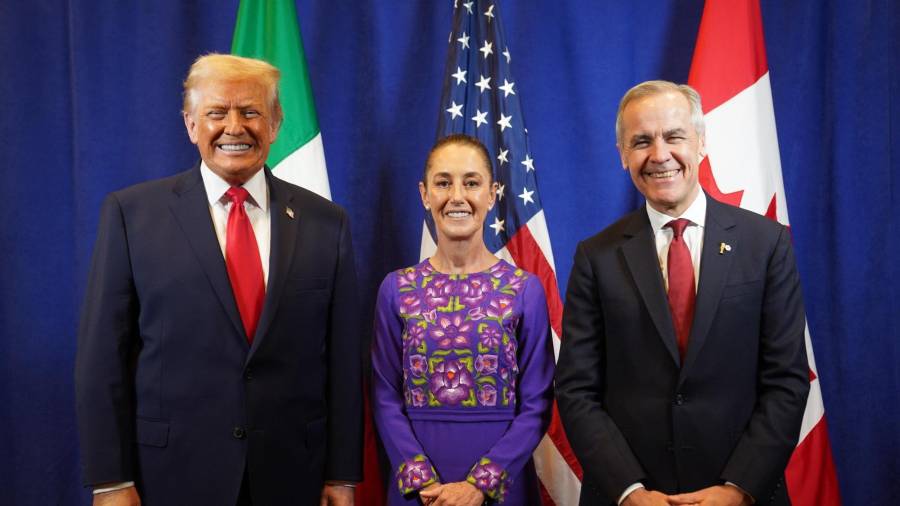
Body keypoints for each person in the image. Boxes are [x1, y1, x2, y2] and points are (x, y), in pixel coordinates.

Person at [75, 54, 362, 506]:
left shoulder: (327, 223)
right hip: (169, 478)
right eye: (216, 112)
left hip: (293, 476)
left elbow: (343, 362)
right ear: (191, 125)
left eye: (250, 112)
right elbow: (102, 358)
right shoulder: (131, 215)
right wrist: (111, 481)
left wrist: (342, 475)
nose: (234, 127)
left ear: (275, 124)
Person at [556, 81, 810, 506]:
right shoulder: (595, 256)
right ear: (622, 154)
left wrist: (736, 489)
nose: (660, 155)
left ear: (701, 143)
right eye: (641, 141)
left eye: (674, 136)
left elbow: (786, 381)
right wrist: (631, 492)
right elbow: (576, 390)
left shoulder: (766, 244)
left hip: (742, 493)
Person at [371, 134, 554, 505]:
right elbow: (384, 395)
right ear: (425, 194)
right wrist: (421, 480)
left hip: (502, 487)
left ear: (492, 194)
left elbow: (538, 404)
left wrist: (479, 485)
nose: (457, 196)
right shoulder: (396, 289)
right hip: (419, 490)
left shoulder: (524, 290)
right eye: (443, 183)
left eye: (471, 183)